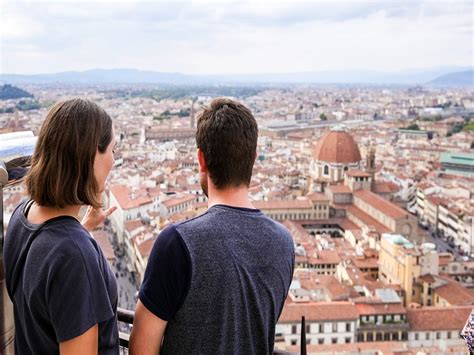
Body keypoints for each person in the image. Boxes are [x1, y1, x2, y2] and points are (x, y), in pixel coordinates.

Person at [130, 98, 295, 354]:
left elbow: (141, 349)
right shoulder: (284, 243)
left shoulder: (177, 244)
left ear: (201, 160)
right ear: (253, 158)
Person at [4, 99, 119, 354]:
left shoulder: (22, 215)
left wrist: (81, 229)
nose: (113, 160)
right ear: (89, 157)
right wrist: (79, 241)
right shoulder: (74, 256)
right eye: (112, 149)